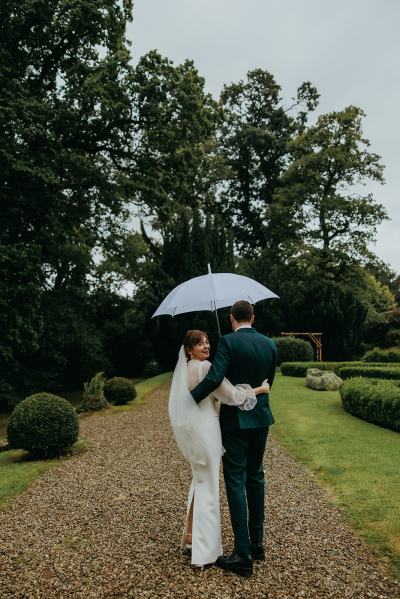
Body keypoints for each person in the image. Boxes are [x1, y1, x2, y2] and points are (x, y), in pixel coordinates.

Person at [190, 300, 277, 578]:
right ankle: (258, 544)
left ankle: (242, 553)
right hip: (261, 419)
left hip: (235, 424)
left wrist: (190, 398)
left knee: (236, 481)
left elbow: (215, 378)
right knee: (256, 476)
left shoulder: (226, 342)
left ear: (231, 318)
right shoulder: (270, 344)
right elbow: (268, 381)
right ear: (253, 316)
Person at [169, 329, 269, 569]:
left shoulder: (185, 371)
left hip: (195, 431)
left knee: (199, 481)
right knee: (210, 487)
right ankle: (205, 551)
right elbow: (231, 395)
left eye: (206, 342)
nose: (206, 346)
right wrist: (260, 390)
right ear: (188, 349)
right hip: (207, 431)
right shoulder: (205, 368)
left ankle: (192, 538)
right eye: (199, 343)